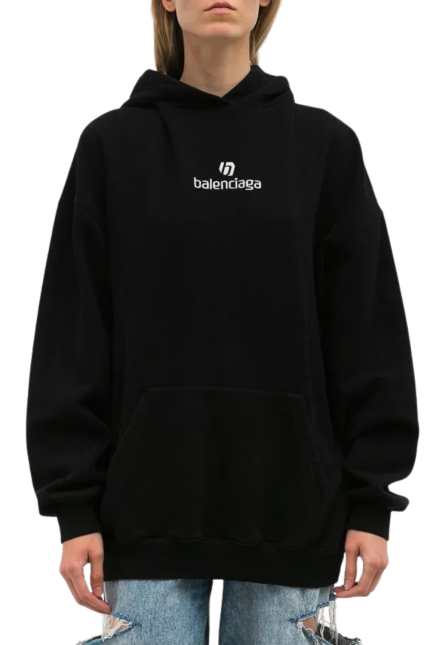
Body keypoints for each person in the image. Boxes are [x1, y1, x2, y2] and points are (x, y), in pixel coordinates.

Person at [25, 1, 420, 643]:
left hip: (295, 509)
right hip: (143, 511)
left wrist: (372, 501)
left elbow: (368, 332)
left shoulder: (323, 147)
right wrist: (73, 507)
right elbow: (73, 336)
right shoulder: (112, 146)